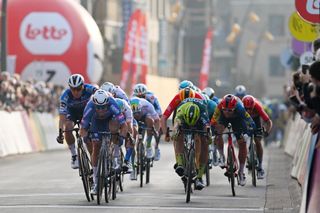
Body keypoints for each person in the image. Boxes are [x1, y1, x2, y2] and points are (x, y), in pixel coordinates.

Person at [80, 89, 127, 195]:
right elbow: (83, 128)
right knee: (96, 147)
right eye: (98, 107)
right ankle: (96, 182)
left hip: (110, 120)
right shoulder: (90, 105)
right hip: (96, 122)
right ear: (95, 104)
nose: (101, 110)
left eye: (103, 107)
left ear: (107, 103)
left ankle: (115, 157)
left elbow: (124, 125)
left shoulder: (112, 103)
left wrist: (121, 139)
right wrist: (86, 138)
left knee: (115, 128)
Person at [210, 94, 255, 186]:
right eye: (225, 110)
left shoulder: (240, 109)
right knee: (218, 132)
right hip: (223, 120)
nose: (227, 112)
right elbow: (213, 122)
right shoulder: (219, 107)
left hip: (237, 120)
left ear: (234, 108)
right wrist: (214, 134)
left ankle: (241, 172)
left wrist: (247, 134)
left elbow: (252, 124)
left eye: (230, 110)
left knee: (242, 142)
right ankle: (222, 156)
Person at [56, 74, 97, 169]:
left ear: (83, 86)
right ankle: (74, 156)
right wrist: (60, 132)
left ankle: (95, 166)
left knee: (88, 141)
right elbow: (62, 116)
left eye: (78, 89)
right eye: (73, 89)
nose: (76, 92)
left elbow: (101, 94)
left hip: (86, 112)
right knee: (68, 127)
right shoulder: (65, 95)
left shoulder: (89, 88)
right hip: (72, 113)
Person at [171, 98, 211, 190]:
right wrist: (174, 132)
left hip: (199, 122)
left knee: (204, 142)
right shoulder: (181, 111)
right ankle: (180, 163)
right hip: (184, 121)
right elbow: (176, 125)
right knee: (178, 135)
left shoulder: (203, 112)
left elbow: (207, 128)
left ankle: (200, 177)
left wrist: (208, 137)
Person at [242, 95, 273, 179]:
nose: (248, 111)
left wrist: (267, 131)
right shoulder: (240, 108)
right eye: (246, 109)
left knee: (258, 141)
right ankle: (247, 155)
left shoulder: (257, 106)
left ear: (253, 106)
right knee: (242, 139)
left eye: (250, 109)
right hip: (245, 120)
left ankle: (260, 166)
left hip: (256, 120)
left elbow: (268, 121)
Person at [133, 83, 162, 160]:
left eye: (142, 96)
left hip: (148, 114)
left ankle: (152, 146)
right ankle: (136, 149)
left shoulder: (152, 98)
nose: (140, 98)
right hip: (137, 115)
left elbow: (158, 111)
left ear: (146, 95)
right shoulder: (132, 100)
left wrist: (156, 127)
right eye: (138, 97)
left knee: (153, 125)